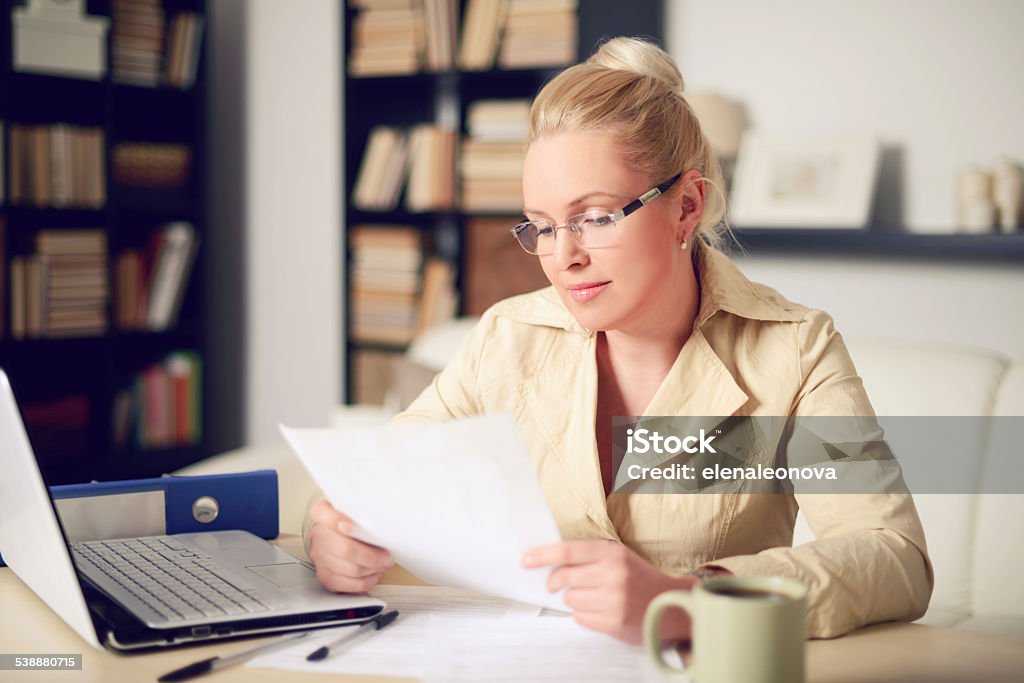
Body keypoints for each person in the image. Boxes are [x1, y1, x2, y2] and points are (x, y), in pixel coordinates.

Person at [306, 37, 932, 645]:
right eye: (544, 227)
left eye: (595, 218)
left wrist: (686, 602)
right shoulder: (508, 337)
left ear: (686, 206)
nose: (563, 257)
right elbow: (377, 484)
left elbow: (894, 558)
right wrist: (330, 534)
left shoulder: (796, 350)